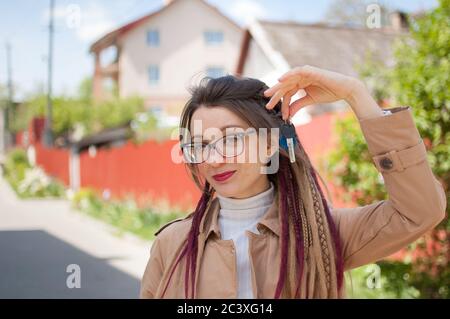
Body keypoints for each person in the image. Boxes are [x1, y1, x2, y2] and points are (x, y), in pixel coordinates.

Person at [140, 65, 446, 299]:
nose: (214, 159)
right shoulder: (173, 244)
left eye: (232, 139)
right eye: (200, 144)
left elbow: (419, 211)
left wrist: (355, 93)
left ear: (271, 143)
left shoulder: (323, 232)